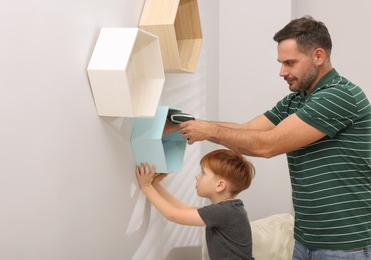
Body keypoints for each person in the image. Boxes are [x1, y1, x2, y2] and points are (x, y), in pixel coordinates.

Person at [179, 16, 371, 259]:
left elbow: (267, 145)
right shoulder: (297, 100)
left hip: (342, 246)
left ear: (318, 56)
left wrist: (209, 131)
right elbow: (247, 130)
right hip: (305, 239)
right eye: (281, 63)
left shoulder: (339, 96)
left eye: (290, 63)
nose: (282, 72)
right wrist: (189, 126)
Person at [135, 149, 255, 260]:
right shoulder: (229, 209)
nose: (197, 177)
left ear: (220, 185)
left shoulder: (224, 211)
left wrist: (146, 186)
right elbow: (183, 209)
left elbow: (173, 215)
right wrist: (155, 184)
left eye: (203, 173)